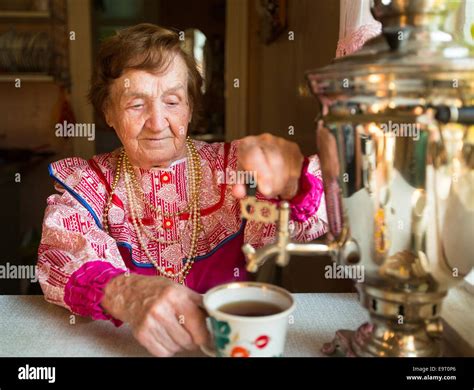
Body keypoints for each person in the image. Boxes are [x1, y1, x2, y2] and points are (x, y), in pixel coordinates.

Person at [37, 24, 327, 357]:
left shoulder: (234, 169)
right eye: (136, 105)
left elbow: (314, 220)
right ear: (109, 113)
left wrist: (292, 181)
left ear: (189, 108)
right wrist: (128, 293)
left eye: (172, 101)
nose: (157, 122)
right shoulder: (88, 183)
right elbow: (58, 260)